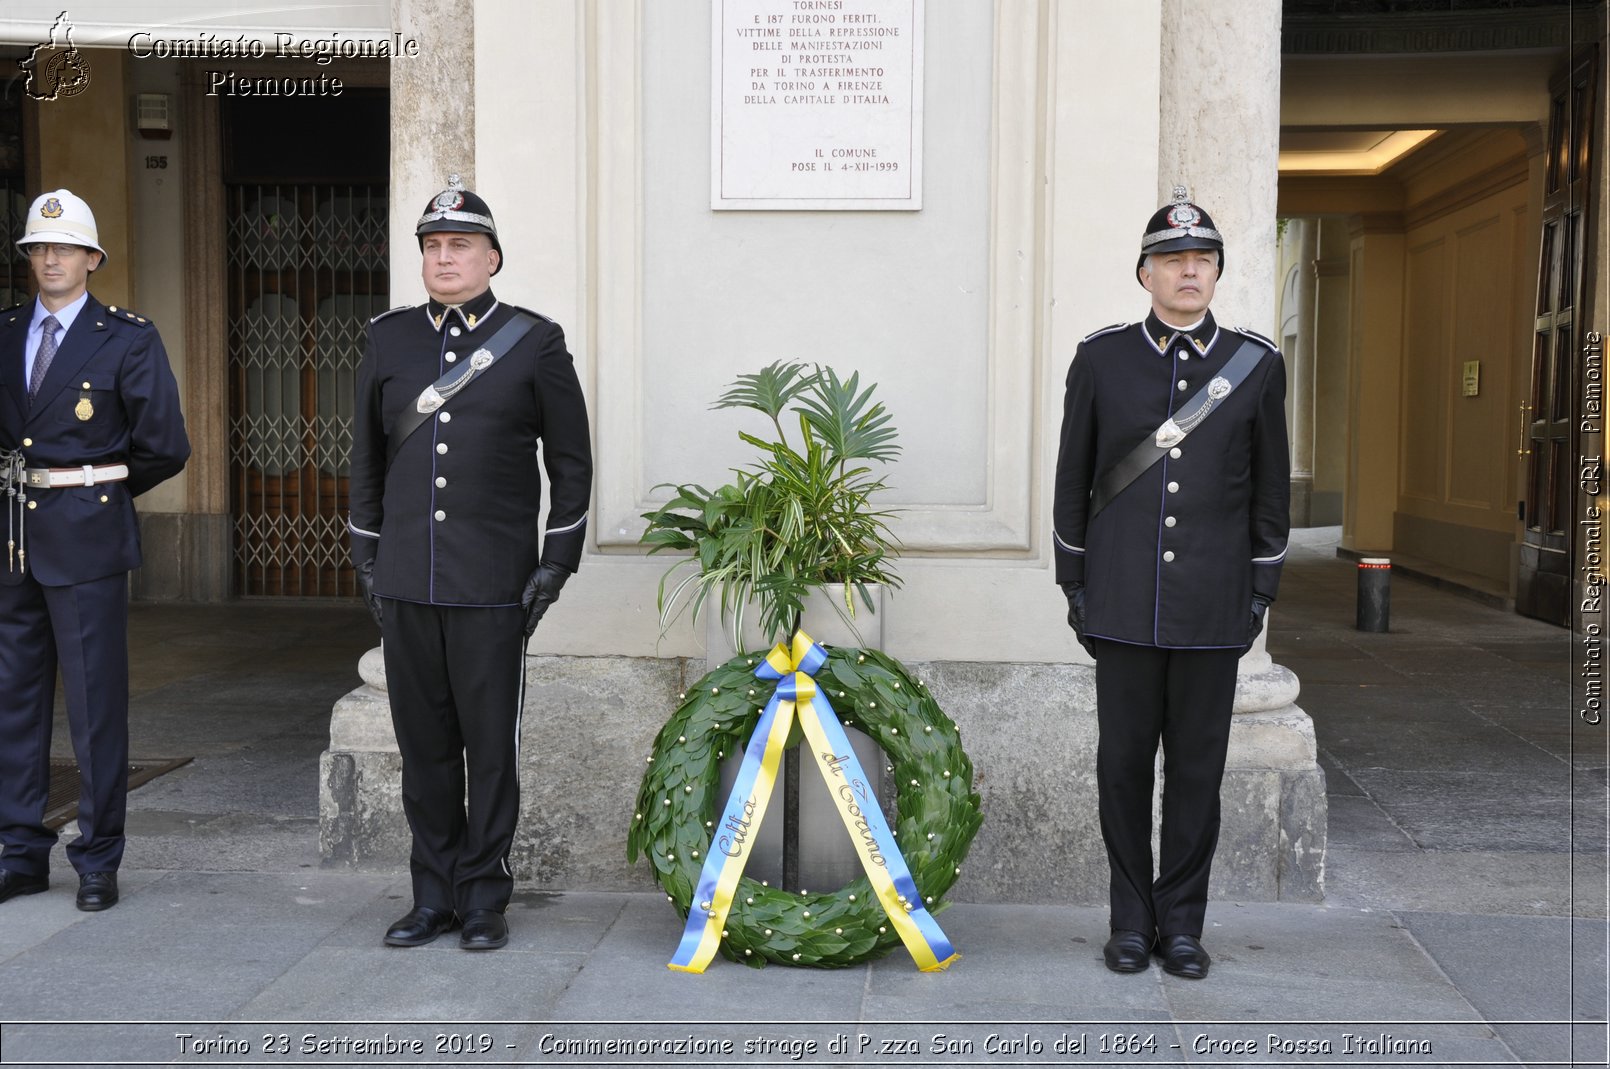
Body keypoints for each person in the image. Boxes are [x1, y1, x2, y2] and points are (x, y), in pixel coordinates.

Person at [348, 177, 592, 951]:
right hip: (409, 579)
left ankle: (483, 895)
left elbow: (573, 461)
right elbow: (366, 459)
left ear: (491, 257)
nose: (444, 257)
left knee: (489, 749)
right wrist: (368, 557)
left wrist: (556, 560)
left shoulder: (534, 340)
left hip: (493, 581)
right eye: (432, 246)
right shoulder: (389, 341)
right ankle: (433, 893)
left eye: (459, 245)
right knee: (423, 749)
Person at [1052, 187, 1290, 979]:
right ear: (1145, 274)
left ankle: (1181, 924)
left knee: (1196, 773)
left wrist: (1258, 592)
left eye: (1202, 259)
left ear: (1217, 271)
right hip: (1119, 602)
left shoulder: (1255, 364)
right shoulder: (1101, 359)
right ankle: (1130, 919)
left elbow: (1270, 490)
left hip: (1214, 605)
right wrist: (1075, 584)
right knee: (1122, 768)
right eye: (1172, 259)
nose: (1189, 270)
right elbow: (1072, 480)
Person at [0, 189, 190, 912]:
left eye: (64, 248)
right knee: (13, 701)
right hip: (12, 538)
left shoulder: (126, 337)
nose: (50, 258)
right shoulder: (6, 330)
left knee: (94, 704)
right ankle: (20, 851)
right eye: (38, 249)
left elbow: (165, 445)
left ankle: (98, 856)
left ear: (91, 259)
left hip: (87, 536)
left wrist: (93, 492)